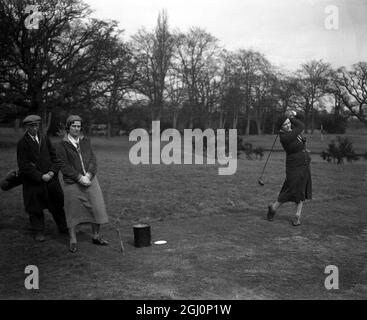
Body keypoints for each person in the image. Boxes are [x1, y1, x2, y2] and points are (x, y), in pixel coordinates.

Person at [56, 115, 109, 253]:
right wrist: (79, 177)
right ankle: (73, 240)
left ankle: (96, 236)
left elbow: (93, 159)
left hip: (90, 179)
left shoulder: (86, 141)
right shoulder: (62, 145)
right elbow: (63, 165)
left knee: (97, 206)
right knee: (72, 210)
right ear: (68, 127)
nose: (76, 129)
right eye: (73, 126)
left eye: (78, 126)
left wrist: (89, 175)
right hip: (72, 182)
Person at [17, 115, 68, 242]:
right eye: (31, 126)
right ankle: (38, 231)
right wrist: (40, 176)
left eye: (36, 125)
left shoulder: (45, 138)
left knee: (56, 205)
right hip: (34, 181)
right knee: (35, 208)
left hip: (50, 179)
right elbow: (24, 166)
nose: (35, 128)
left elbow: (55, 158)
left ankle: (63, 227)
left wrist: (52, 172)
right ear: (26, 127)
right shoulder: (22, 143)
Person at [267, 110, 312, 226]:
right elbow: (301, 125)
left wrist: (293, 113)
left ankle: (297, 216)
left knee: (301, 189)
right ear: (281, 128)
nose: (288, 125)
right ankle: (273, 207)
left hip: (304, 163)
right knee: (290, 190)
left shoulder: (292, 130)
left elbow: (301, 118)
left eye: (288, 123)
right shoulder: (285, 137)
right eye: (285, 124)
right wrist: (290, 118)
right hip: (293, 166)